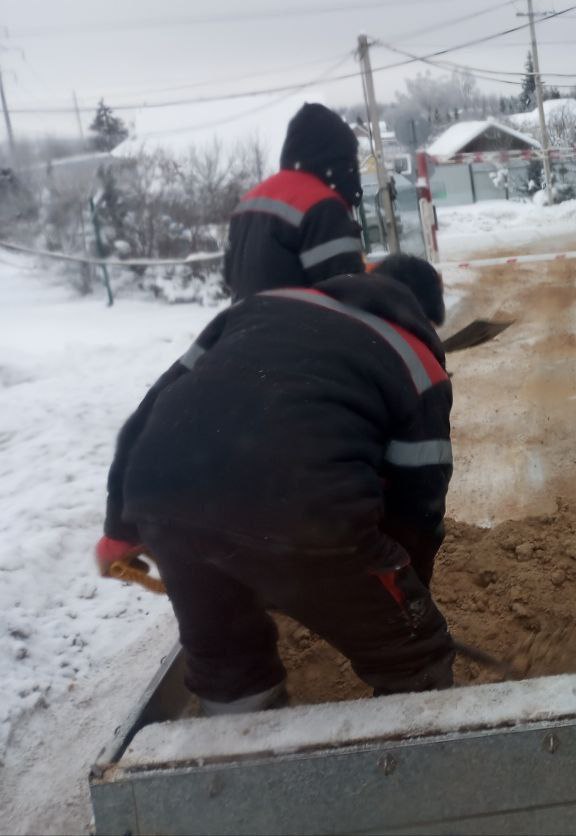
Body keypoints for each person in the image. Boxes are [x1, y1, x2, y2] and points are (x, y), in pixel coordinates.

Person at [94, 256, 454, 713]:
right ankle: (419, 752)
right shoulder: (417, 362)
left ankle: (235, 754)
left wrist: (118, 530)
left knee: (227, 663)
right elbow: (418, 505)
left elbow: (152, 408)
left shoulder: (255, 309)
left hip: (162, 498)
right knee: (414, 655)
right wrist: (404, 597)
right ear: (423, 315)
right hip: (309, 514)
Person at [223, 102, 367, 301]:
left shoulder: (246, 204)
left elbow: (230, 278)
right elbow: (350, 293)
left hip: (244, 326)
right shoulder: (322, 206)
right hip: (302, 329)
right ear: (338, 158)